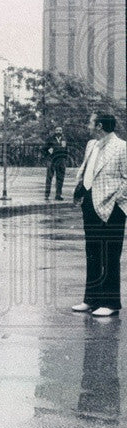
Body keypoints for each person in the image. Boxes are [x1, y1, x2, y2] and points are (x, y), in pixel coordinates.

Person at [71, 112, 127, 317]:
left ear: (100, 125)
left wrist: (115, 200)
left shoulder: (122, 147)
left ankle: (110, 303)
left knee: (110, 255)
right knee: (93, 253)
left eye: (90, 121)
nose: (88, 125)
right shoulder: (91, 145)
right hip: (90, 204)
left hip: (113, 208)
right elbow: (86, 171)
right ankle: (91, 299)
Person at [43, 125, 69, 200]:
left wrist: (65, 159)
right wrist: (48, 155)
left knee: (60, 178)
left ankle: (58, 195)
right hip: (52, 160)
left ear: (62, 131)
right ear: (55, 131)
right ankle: (47, 194)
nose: (58, 132)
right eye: (57, 130)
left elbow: (66, 150)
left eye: (60, 130)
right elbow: (44, 149)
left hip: (61, 161)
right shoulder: (50, 139)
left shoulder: (64, 139)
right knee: (49, 178)